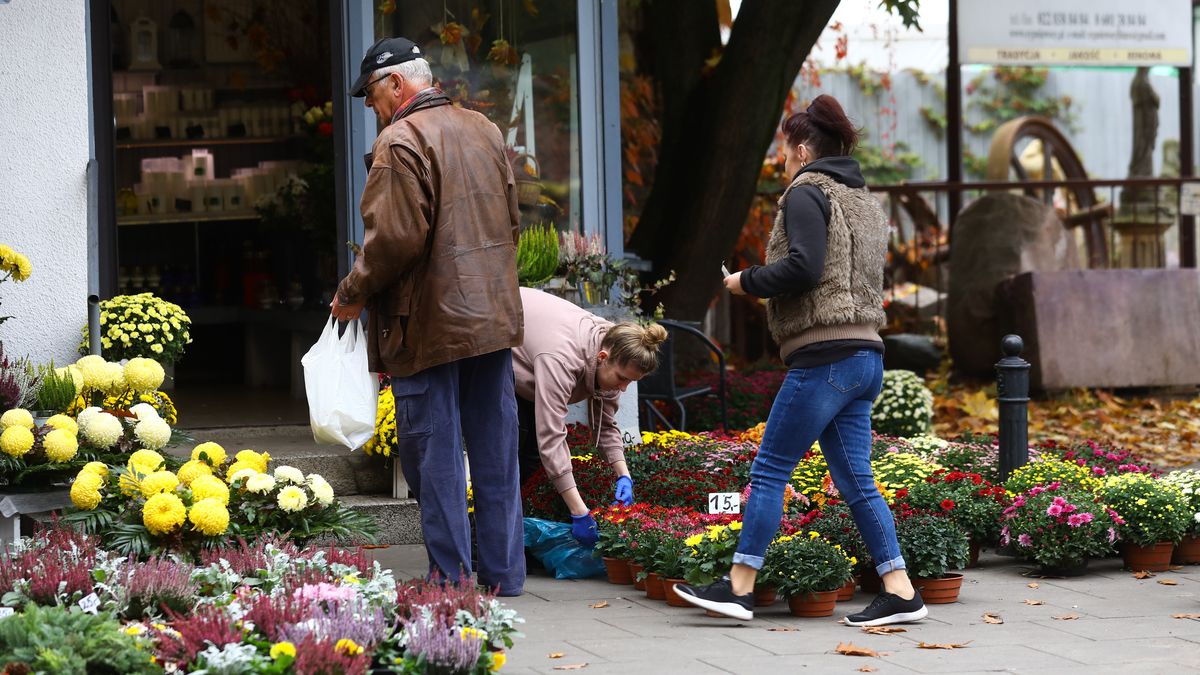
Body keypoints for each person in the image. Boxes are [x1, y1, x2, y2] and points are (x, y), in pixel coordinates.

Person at [673, 94, 927, 627]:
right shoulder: (863, 201)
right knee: (858, 480)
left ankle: (738, 587)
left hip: (826, 359)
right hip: (864, 357)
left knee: (769, 470)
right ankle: (900, 589)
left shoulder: (806, 193)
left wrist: (747, 280)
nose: (783, 162)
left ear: (804, 150)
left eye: (785, 153)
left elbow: (805, 268)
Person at [331, 37, 526, 596]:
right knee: (496, 451)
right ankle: (504, 575)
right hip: (490, 317)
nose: (369, 106)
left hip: (428, 324)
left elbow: (393, 241)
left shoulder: (400, 140)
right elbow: (512, 223)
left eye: (370, 93)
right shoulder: (484, 128)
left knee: (434, 456)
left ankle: (451, 581)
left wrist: (353, 290)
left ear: (396, 83)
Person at [512, 287, 666, 545]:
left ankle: (522, 536)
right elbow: (551, 435)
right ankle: (485, 542)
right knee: (510, 447)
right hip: (495, 340)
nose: (623, 388)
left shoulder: (613, 348)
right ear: (602, 358)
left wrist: (624, 475)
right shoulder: (561, 358)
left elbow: (606, 426)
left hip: (534, 353)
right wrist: (579, 512)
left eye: (631, 382)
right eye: (622, 379)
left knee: (530, 458)